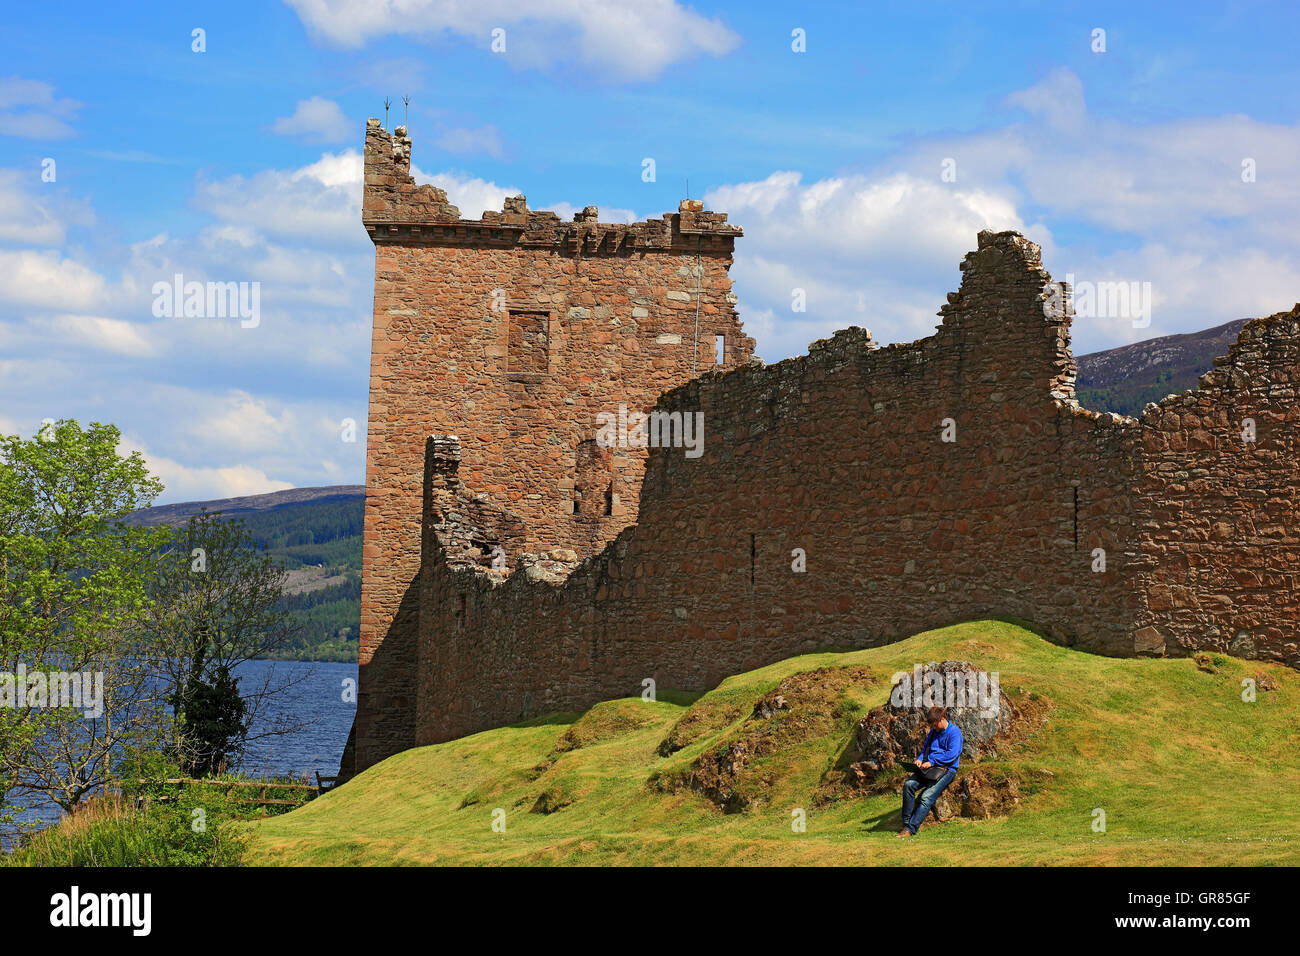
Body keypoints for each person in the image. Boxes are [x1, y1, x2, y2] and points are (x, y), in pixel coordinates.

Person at [898, 706, 963, 838]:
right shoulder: (933, 732)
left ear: (942, 719)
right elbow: (925, 749)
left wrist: (933, 762)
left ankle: (911, 829)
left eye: (935, 725)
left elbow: (952, 754)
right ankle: (905, 822)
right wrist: (920, 760)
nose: (934, 728)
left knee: (926, 797)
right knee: (908, 785)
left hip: (946, 769)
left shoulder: (955, 733)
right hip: (929, 768)